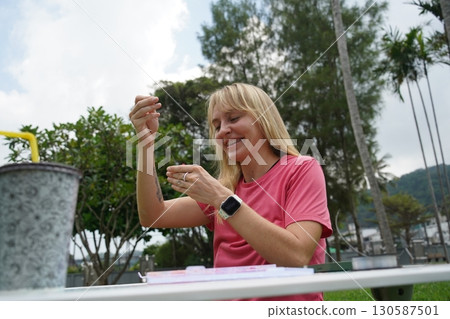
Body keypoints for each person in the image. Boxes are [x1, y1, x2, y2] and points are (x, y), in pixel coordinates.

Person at [129, 83, 332, 300]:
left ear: (264, 119)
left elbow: (296, 255)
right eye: (216, 126)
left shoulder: (301, 169)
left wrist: (223, 200)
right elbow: (152, 214)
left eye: (234, 118)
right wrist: (146, 142)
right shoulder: (225, 189)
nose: (223, 130)